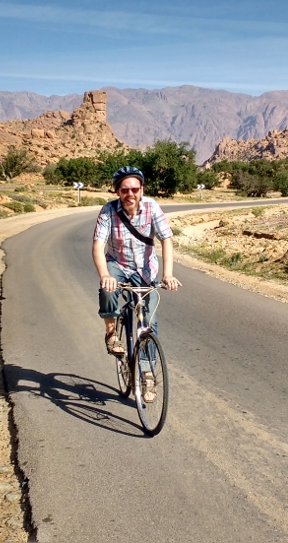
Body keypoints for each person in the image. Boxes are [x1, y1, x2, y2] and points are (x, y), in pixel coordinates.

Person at [92, 166, 182, 401]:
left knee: (148, 322)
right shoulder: (108, 211)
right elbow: (98, 246)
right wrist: (105, 275)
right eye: (124, 190)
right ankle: (111, 333)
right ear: (117, 191)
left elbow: (166, 239)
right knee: (107, 289)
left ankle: (148, 374)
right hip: (117, 264)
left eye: (134, 189)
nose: (130, 194)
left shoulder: (152, 207)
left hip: (145, 269)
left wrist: (168, 274)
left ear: (141, 189)